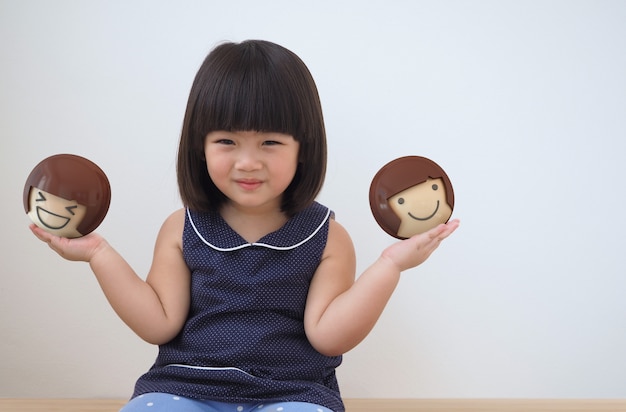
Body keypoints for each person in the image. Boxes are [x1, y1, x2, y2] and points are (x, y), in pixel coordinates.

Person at [30, 40, 460, 412]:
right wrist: (98, 254)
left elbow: (328, 337)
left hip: (292, 392)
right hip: (185, 388)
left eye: (270, 142)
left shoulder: (327, 237)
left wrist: (389, 266)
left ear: (303, 149)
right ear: (199, 146)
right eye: (227, 141)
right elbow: (157, 323)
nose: (248, 161)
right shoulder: (182, 228)